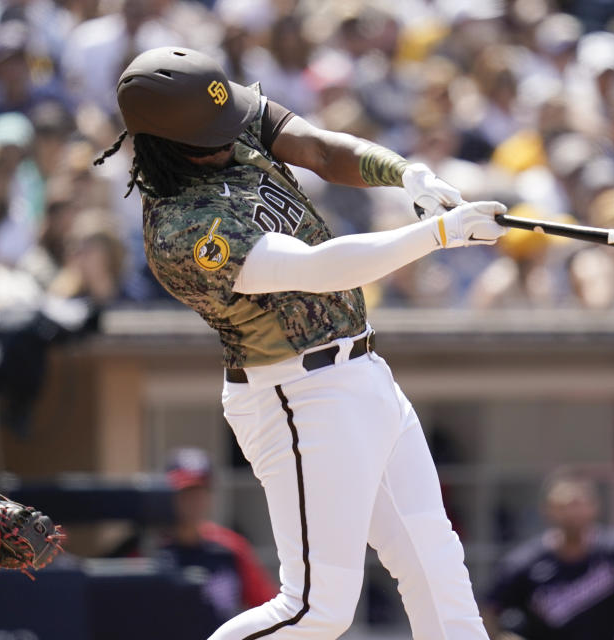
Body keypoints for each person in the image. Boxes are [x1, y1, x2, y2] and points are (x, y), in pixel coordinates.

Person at [97, 47, 507, 639]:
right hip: (299, 396)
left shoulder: (214, 119)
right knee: (315, 608)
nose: (235, 129)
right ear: (166, 143)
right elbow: (318, 269)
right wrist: (438, 234)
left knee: (436, 564)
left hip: (363, 373)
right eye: (216, 130)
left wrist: (405, 174)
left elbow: (316, 148)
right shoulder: (181, 228)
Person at [483, 471, 614, 640]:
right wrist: (501, 637)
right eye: (563, 505)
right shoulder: (524, 562)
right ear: (548, 510)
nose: (572, 512)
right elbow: (487, 609)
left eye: (578, 503)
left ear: (594, 507)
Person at [157, 447, 279, 623]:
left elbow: (266, 608)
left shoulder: (230, 548)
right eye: (185, 493)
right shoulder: (149, 550)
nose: (193, 501)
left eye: (200, 492)